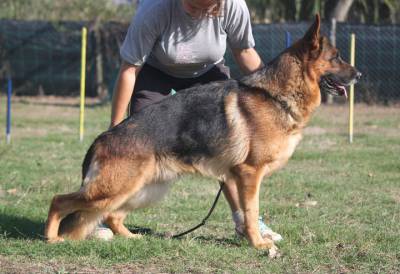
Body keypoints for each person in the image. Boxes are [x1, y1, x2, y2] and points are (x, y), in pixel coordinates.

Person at [95, 0, 282, 242]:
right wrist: (115, 127)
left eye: (205, 9)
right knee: (139, 148)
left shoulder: (233, 5)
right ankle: (101, 213)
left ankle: (246, 222)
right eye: (192, 7)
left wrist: (272, 93)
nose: (197, 14)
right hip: (155, 72)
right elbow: (130, 69)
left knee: (231, 151)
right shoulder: (154, 9)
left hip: (208, 74)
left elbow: (244, 52)